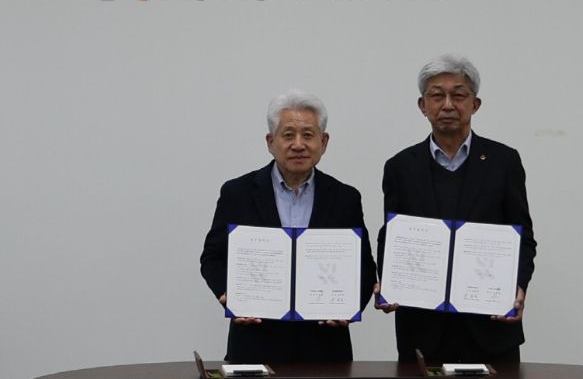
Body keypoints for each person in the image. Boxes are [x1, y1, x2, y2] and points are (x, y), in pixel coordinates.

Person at [375, 54, 537, 364]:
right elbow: (392, 236)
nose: (448, 105)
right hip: (422, 329)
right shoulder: (400, 167)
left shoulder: (504, 162)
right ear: (423, 105)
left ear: (475, 104)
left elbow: (523, 236)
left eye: (458, 95)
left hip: (490, 327)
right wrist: (390, 281)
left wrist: (518, 286)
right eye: (437, 96)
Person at [200, 89, 377, 363]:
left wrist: (350, 307)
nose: (298, 144)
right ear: (270, 142)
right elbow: (212, 257)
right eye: (288, 135)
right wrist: (229, 294)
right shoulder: (238, 193)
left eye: (308, 135)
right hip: (254, 343)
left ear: (323, 142)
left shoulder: (345, 197)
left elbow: (364, 266)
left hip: (326, 348)